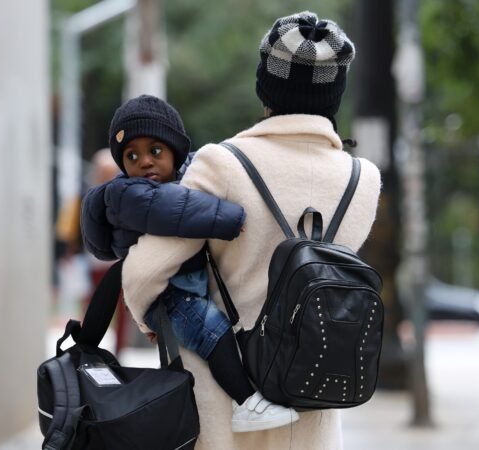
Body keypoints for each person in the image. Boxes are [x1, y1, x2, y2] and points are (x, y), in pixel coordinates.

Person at [119, 11, 382, 449]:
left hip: (226, 414)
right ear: (336, 93)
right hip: (314, 407)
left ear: (266, 87)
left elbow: (144, 274)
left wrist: (154, 318)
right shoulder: (363, 179)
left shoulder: (222, 164)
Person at [80, 94, 300, 432]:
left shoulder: (179, 178)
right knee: (214, 333)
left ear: (175, 152)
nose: (144, 163)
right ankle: (247, 403)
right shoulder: (130, 194)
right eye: (131, 155)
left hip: (180, 287)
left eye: (155, 151)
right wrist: (228, 218)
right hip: (172, 295)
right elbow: (174, 209)